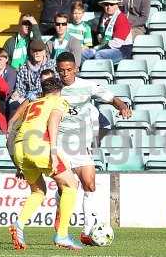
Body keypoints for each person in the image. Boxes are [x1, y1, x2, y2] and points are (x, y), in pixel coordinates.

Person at [55, 51, 131, 245]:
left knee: (90, 185)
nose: (65, 74)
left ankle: (87, 230)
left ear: (76, 69)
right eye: (61, 71)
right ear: (57, 70)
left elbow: (112, 97)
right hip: (60, 144)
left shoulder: (87, 86)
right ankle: (61, 220)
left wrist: (122, 107)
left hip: (81, 145)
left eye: (69, 70)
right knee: (66, 188)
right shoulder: (54, 90)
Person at [9, 77, 82, 250]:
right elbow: (54, 121)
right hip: (39, 147)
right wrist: (54, 151)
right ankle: (62, 234)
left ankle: (19, 224)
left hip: (19, 147)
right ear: (59, 90)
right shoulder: (58, 100)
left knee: (38, 191)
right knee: (71, 185)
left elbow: (14, 126)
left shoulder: (32, 103)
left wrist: (17, 161)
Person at [81, 0, 133, 64]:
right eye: (106, 4)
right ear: (103, 6)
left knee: (99, 54)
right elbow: (100, 33)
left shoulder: (121, 18)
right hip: (105, 47)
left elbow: (117, 43)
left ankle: (98, 74)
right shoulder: (103, 16)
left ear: (116, 5)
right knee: (83, 54)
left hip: (121, 51)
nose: (109, 7)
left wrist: (98, 48)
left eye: (111, 4)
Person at [0, 47, 17, 120]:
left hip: (5, 99)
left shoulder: (11, 72)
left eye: (0, 59)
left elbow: (8, 90)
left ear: (6, 59)